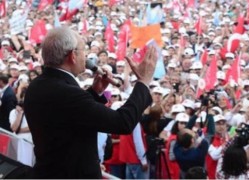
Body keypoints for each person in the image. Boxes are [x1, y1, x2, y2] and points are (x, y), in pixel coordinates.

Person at [24, 27, 158, 178]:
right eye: (83, 51)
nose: (86, 57)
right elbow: (123, 122)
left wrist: (95, 92)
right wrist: (144, 82)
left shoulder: (36, 85)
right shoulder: (69, 94)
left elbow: (69, 116)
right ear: (73, 55)